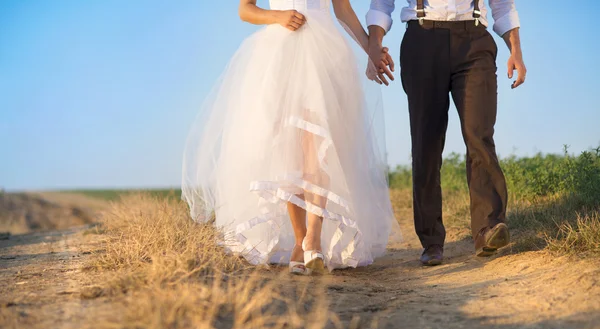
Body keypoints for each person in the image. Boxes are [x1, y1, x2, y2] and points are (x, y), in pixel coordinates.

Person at [182, 0, 400, 276]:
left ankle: (314, 239)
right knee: (289, 153)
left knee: (317, 149)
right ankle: (300, 240)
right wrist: (278, 16)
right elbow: (245, 9)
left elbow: (343, 9)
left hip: (324, 56)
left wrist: (371, 50)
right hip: (279, 55)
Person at [367, 0, 526, 265]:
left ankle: (488, 227)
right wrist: (374, 46)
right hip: (422, 39)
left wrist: (516, 51)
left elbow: (503, 6)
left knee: (480, 134)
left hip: (475, 41)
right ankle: (431, 241)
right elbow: (381, 4)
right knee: (426, 142)